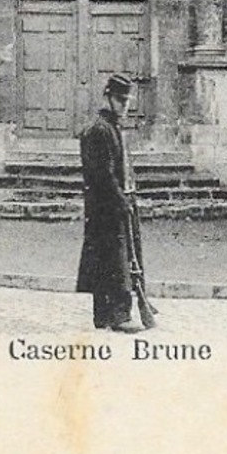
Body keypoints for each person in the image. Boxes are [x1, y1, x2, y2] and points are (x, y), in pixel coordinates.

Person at [76, 73, 147, 333]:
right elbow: (103, 175)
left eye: (127, 101)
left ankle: (105, 314)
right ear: (107, 97)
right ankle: (118, 315)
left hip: (113, 203)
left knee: (113, 259)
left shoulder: (113, 128)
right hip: (104, 206)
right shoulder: (99, 130)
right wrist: (121, 201)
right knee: (115, 261)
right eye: (120, 100)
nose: (124, 105)